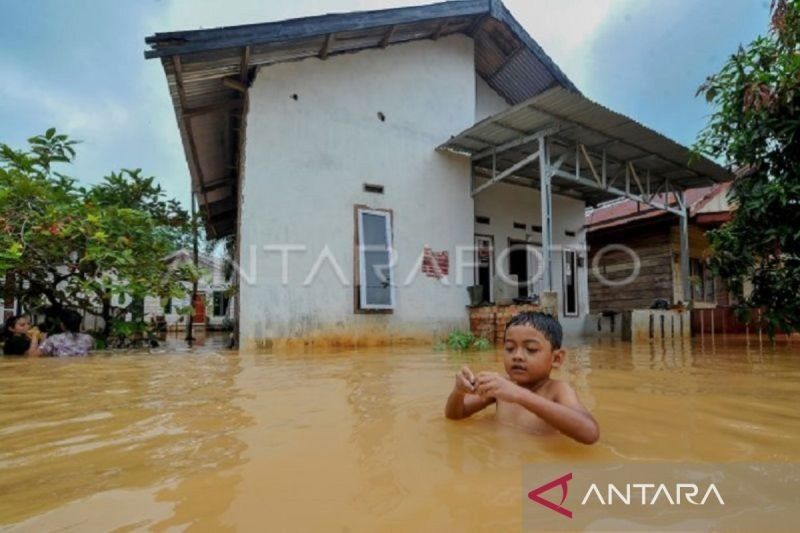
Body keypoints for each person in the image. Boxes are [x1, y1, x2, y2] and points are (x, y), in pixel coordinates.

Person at [444, 311, 599, 444]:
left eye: (531, 349)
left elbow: (590, 433)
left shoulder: (557, 390)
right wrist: (458, 392)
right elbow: (455, 416)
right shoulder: (500, 386)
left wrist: (519, 394)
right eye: (510, 348)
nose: (517, 356)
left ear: (557, 358)